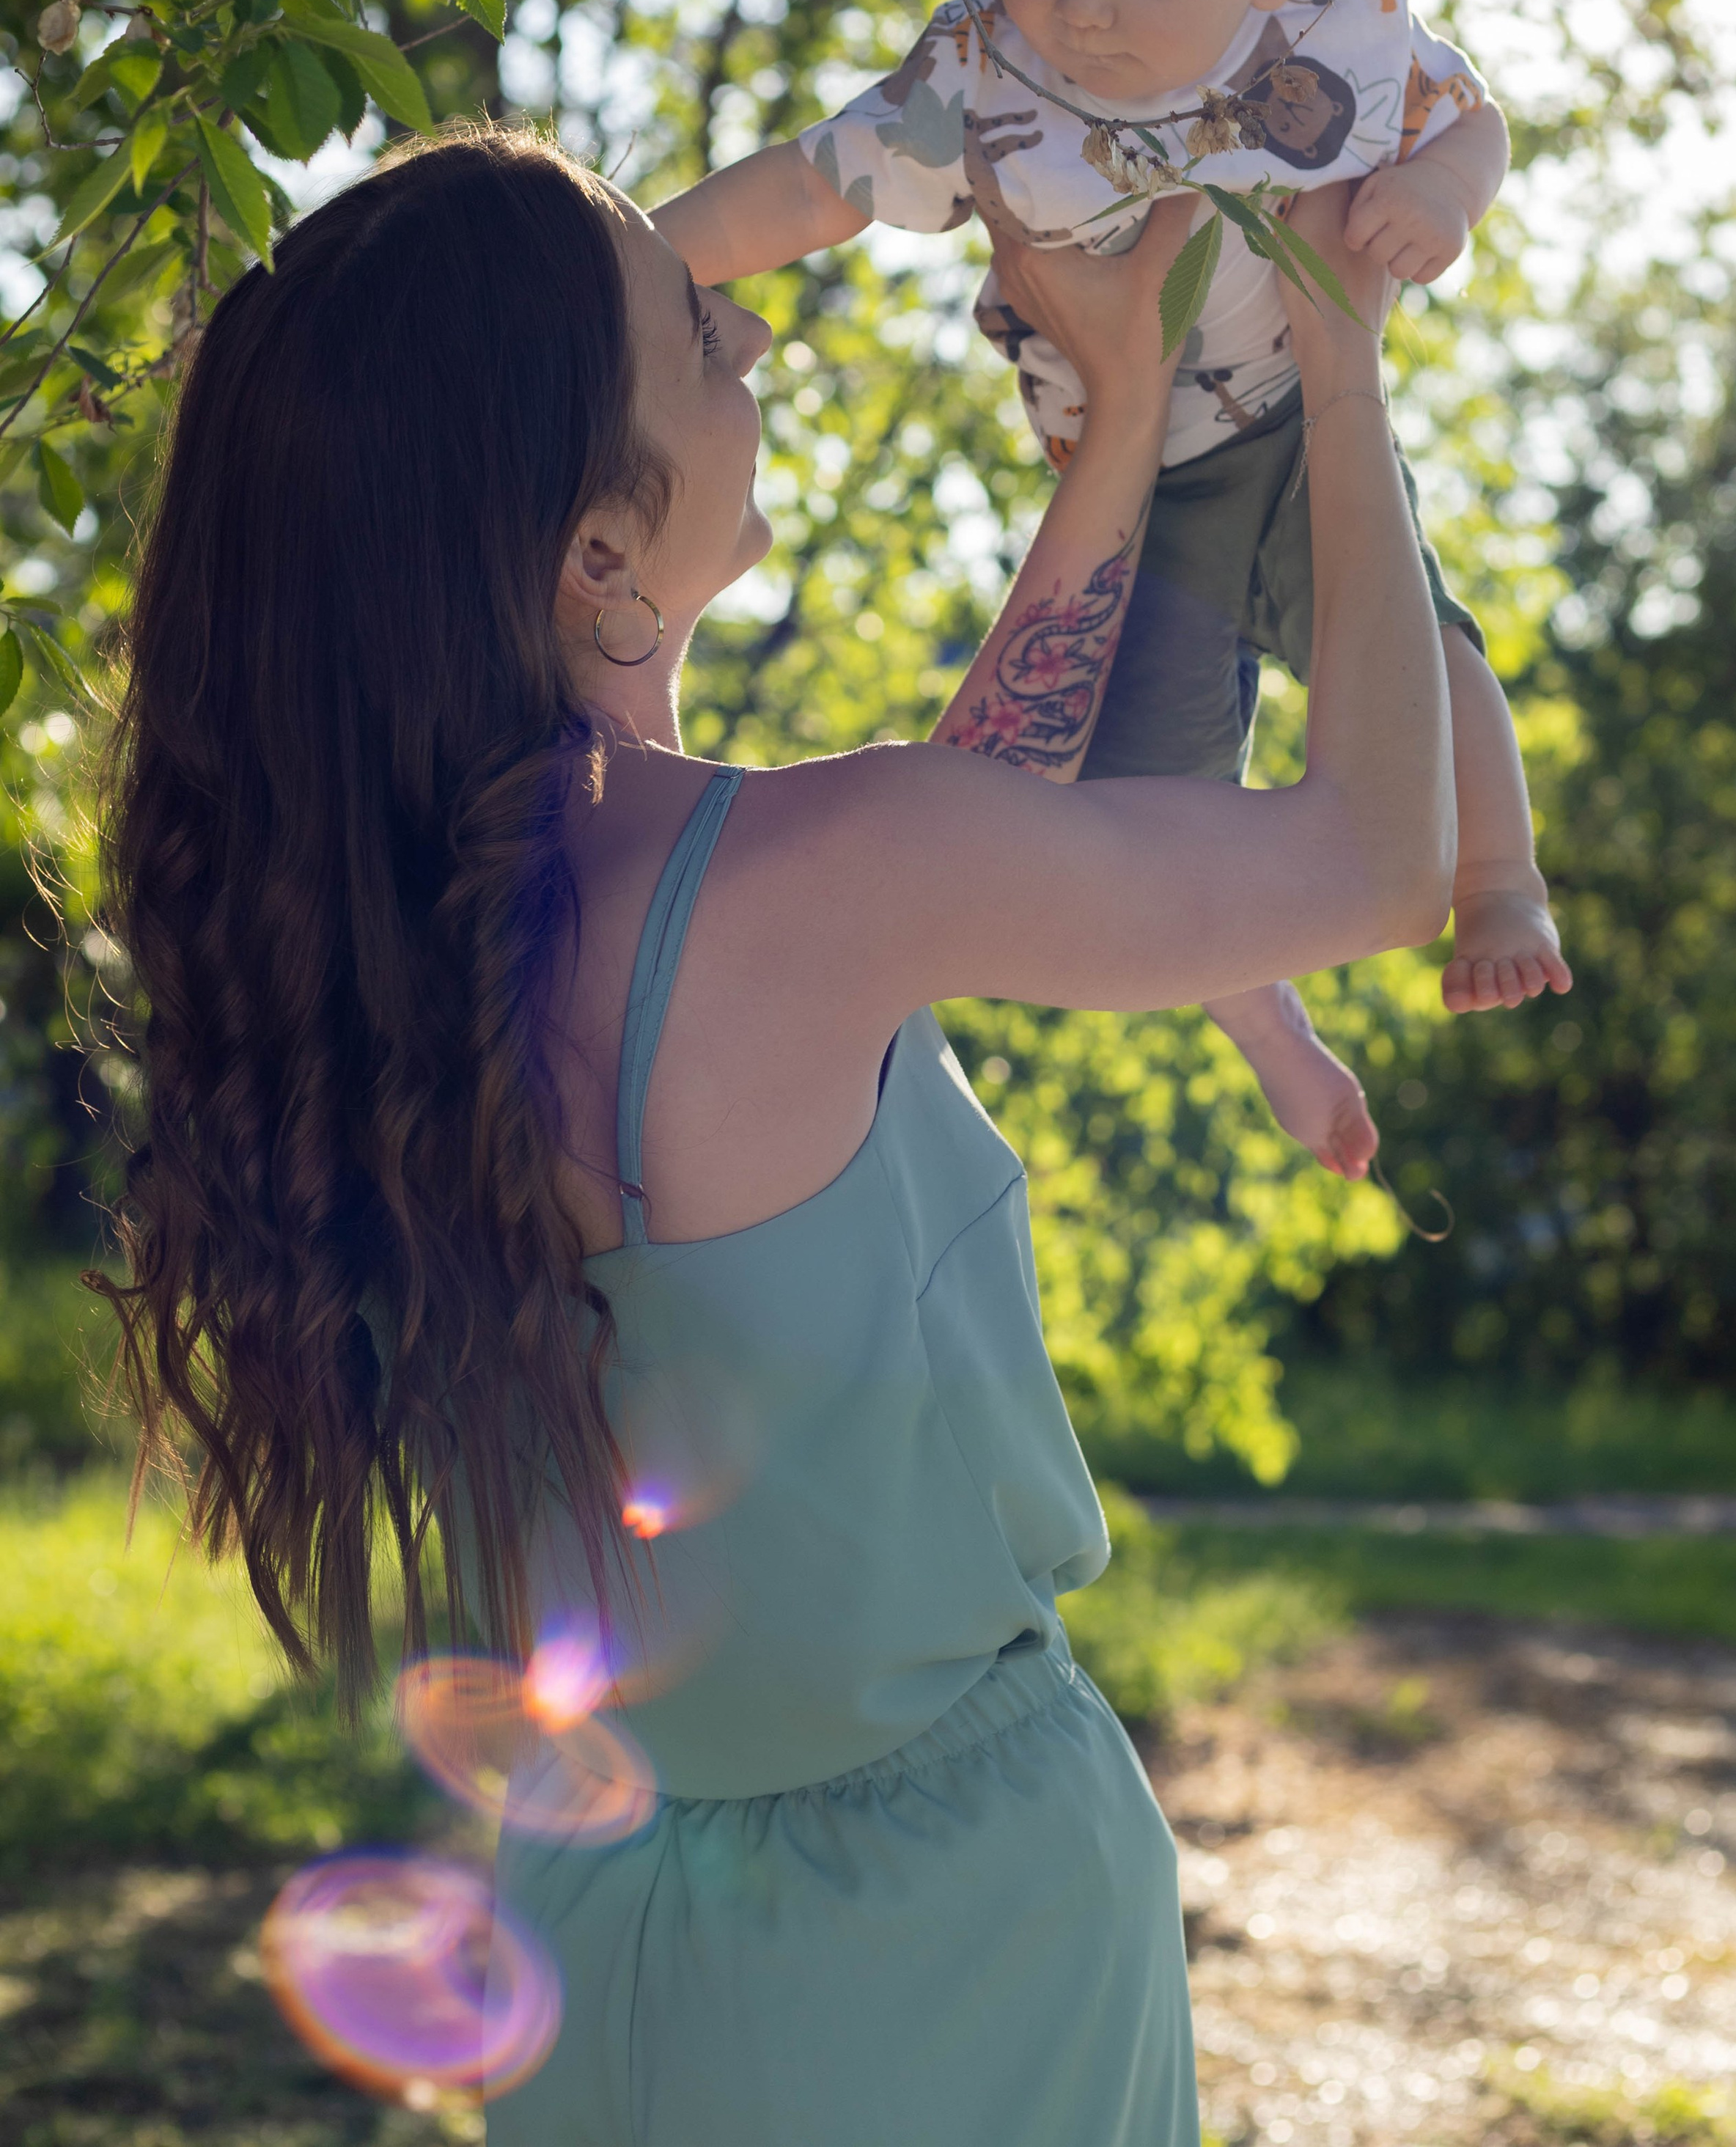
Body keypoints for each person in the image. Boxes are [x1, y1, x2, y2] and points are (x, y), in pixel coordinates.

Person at [96, 125, 1453, 2146]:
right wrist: (1334, 367)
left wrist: (1114, 425)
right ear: (597, 553)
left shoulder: (395, 957)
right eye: (694, 329)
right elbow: (1381, 854)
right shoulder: (807, 880)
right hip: (953, 1936)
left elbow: (954, 827)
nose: (752, 336)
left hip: (600, 1922)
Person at [653, 0, 1570, 1183]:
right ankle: (1262, 1017)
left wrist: (1439, 196)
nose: (1080, 7)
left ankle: (1499, 878)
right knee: (1145, 790)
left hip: (1295, 434)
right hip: (1135, 490)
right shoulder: (982, 74)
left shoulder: (1332, 33)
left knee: (1420, 645)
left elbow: (1468, 119)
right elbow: (813, 187)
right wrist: (629, 251)